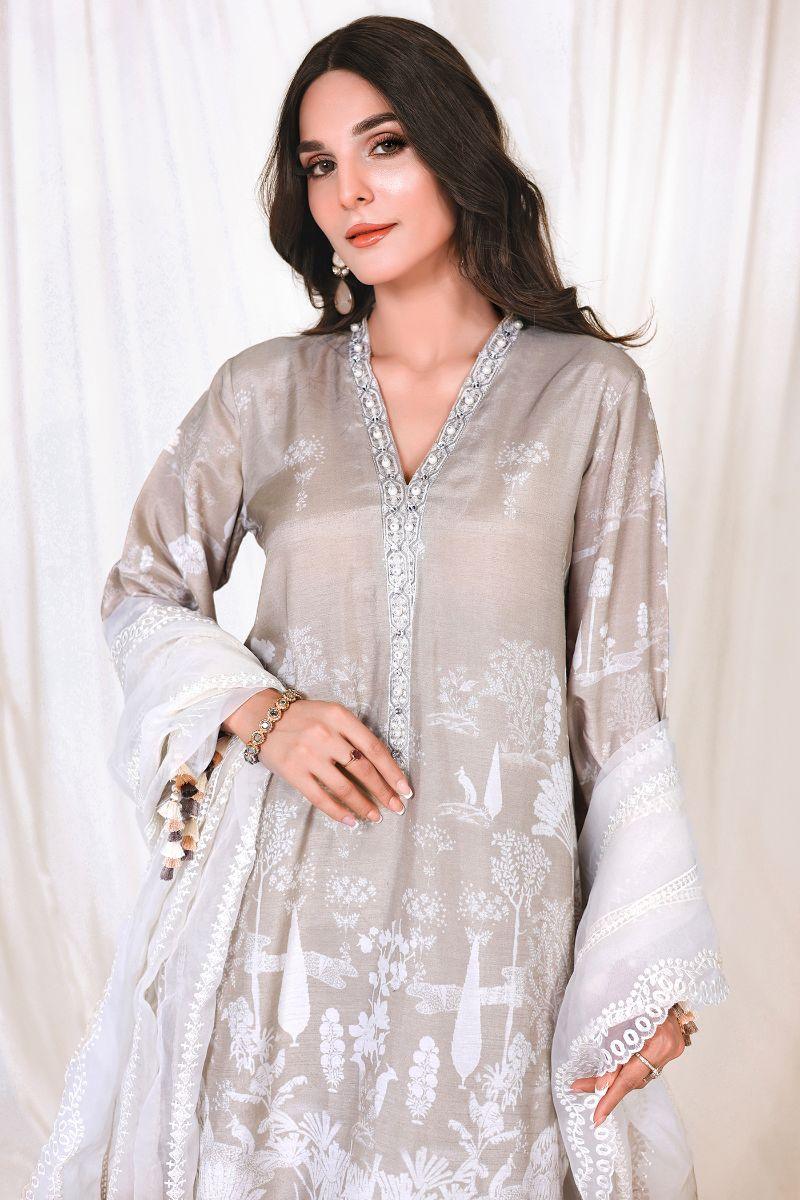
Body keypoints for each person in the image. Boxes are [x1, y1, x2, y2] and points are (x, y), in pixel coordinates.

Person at [24, 15, 730, 1200]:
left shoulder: (587, 396)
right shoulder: (262, 394)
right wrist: (263, 714)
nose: (347, 191)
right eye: (318, 164)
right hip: (283, 925)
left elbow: (615, 702)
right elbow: (141, 588)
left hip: (489, 941)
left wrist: (643, 967)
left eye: (383, 145)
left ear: (454, 149)